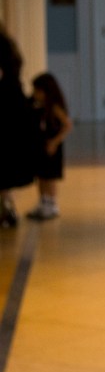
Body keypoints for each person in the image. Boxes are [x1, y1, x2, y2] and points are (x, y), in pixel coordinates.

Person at [0, 23, 36, 228]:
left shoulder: (3, 47)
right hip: (15, 105)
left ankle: (6, 209)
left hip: (5, 106)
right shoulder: (11, 48)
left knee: (4, 162)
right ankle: (7, 207)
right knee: (7, 162)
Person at [27, 72, 73, 221]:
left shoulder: (54, 107)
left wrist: (55, 141)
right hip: (40, 146)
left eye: (37, 91)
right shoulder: (37, 106)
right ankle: (43, 202)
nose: (35, 94)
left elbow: (67, 125)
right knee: (41, 175)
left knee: (50, 176)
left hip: (52, 148)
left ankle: (52, 204)